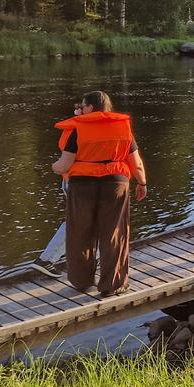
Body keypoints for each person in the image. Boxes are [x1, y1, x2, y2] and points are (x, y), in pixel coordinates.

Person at [51, 91, 147, 297]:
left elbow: (64, 165)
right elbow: (136, 164)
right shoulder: (123, 128)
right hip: (115, 185)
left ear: (91, 108)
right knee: (114, 234)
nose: (80, 109)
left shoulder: (78, 129)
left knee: (80, 234)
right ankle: (112, 285)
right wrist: (142, 183)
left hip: (82, 186)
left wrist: (54, 167)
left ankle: (82, 282)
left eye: (83, 106)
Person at [30, 102, 82, 279]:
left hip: (71, 182)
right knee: (77, 222)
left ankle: (93, 258)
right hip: (77, 183)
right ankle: (46, 259)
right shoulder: (79, 130)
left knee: (84, 221)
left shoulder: (73, 128)